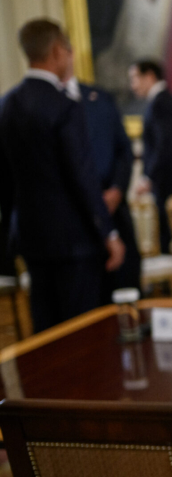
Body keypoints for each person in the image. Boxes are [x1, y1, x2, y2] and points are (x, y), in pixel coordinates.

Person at [0, 19, 123, 332]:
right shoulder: (64, 105)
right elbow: (82, 177)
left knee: (46, 332)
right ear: (57, 51)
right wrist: (108, 233)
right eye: (68, 51)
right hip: (74, 241)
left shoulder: (6, 106)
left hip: (30, 239)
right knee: (82, 332)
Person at [64, 76, 141, 300]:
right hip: (76, 225)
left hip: (115, 212)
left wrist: (117, 189)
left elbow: (123, 151)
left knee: (128, 292)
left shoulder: (100, 98)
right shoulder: (44, 103)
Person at [130, 59, 172, 254]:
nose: (133, 85)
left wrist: (149, 177)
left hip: (168, 183)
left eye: (135, 78)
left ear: (149, 76)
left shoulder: (161, 103)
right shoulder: (163, 101)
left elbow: (165, 145)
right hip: (168, 182)